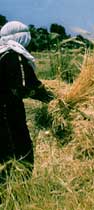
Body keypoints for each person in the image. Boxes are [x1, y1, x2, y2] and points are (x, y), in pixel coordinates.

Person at [0, 21, 54, 182]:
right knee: (20, 150)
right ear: (21, 37)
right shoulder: (14, 56)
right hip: (8, 112)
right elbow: (22, 87)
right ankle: (18, 190)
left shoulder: (1, 54)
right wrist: (50, 98)